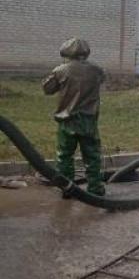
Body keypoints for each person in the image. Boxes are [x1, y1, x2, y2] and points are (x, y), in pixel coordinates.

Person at [42, 38, 106, 196]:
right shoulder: (96, 70)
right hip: (88, 120)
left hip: (67, 121)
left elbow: (47, 89)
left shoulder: (61, 70)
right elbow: (102, 80)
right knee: (92, 156)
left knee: (64, 156)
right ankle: (96, 189)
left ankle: (67, 189)